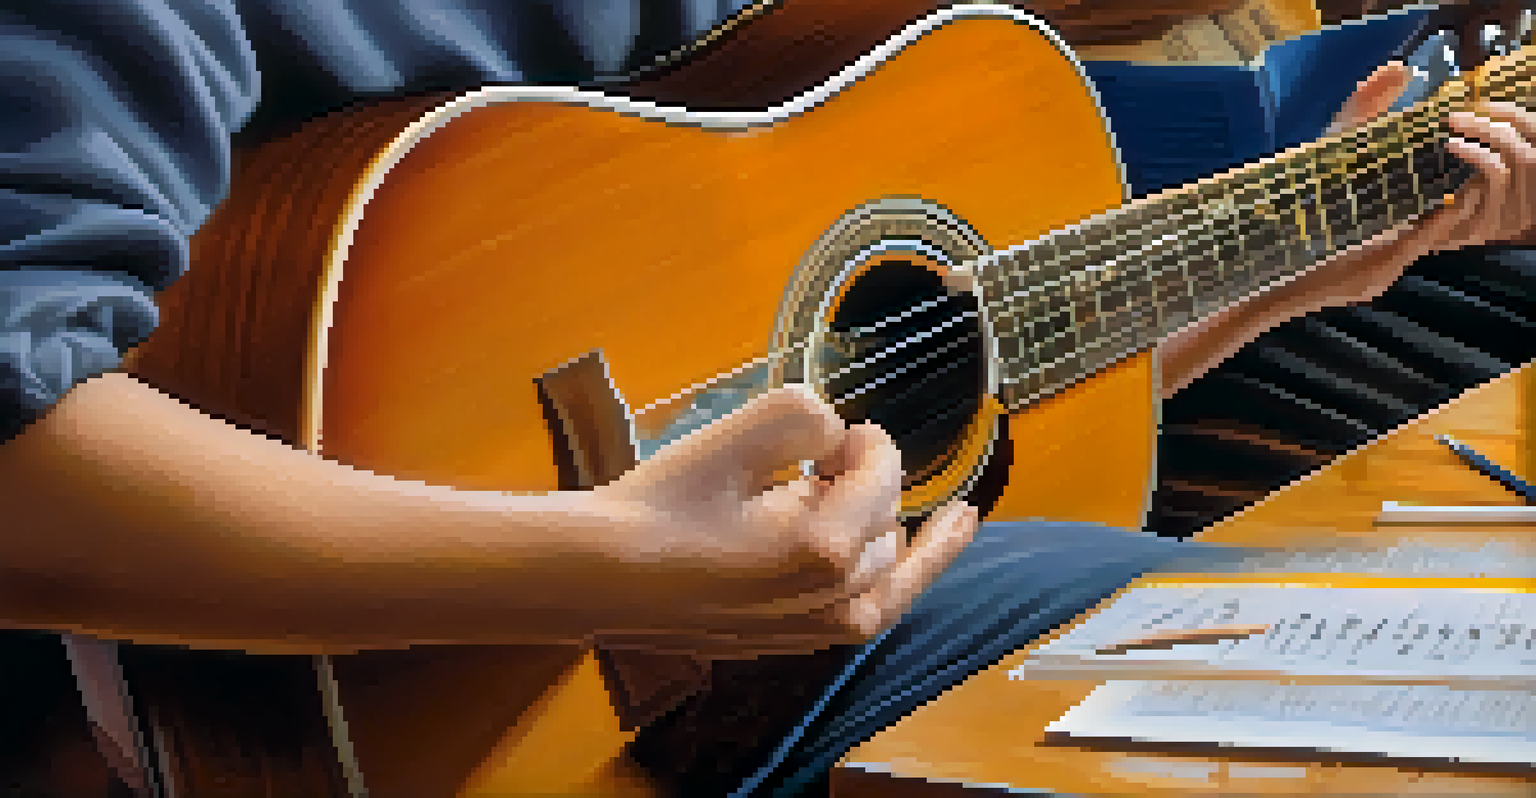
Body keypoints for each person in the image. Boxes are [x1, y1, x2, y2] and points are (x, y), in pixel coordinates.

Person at [0, 0, 1531, 795]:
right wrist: (617, 564)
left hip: (740, 637)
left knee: (1438, 675)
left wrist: (1289, 278)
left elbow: (909, 400)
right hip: (461, 703)